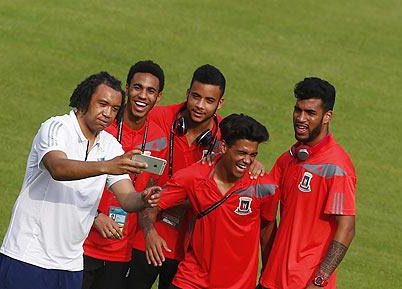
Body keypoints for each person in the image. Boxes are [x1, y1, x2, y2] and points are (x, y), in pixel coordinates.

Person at [0, 71, 161, 289]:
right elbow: (57, 167)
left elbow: (127, 198)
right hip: (28, 255)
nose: (108, 113)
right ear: (85, 99)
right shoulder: (56, 127)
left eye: (115, 109)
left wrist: (144, 199)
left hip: (70, 265)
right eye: (102, 104)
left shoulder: (110, 145)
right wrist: (108, 166)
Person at [140, 114, 278, 289]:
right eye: (242, 153)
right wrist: (150, 232)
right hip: (190, 281)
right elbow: (150, 205)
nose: (248, 160)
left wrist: (267, 279)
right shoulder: (193, 177)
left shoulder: (265, 187)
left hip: (238, 286)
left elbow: (268, 230)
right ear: (224, 146)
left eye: (253, 154)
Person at [128, 64, 226, 289]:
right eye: (195, 97)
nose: (200, 106)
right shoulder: (159, 117)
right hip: (143, 236)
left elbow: (245, 156)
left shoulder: (225, 140)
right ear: (187, 94)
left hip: (188, 250)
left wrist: (255, 163)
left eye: (209, 101)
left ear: (220, 103)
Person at [259, 77, 356, 289]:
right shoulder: (288, 159)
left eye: (310, 113)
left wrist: (319, 281)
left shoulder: (337, 166)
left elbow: (347, 228)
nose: (301, 118)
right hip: (271, 280)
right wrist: (250, 164)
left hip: (305, 284)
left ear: (326, 117)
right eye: (298, 110)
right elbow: (261, 202)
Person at [82, 61, 167, 289]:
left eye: (150, 91)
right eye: (137, 87)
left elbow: (148, 194)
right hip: (81, 242)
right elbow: (73, 176)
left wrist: (149, 229)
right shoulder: (102, 127)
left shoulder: (159, 139)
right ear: (127, 88)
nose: (143, 95)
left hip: (120, 251)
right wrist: (95, 216)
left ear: (158, 98)